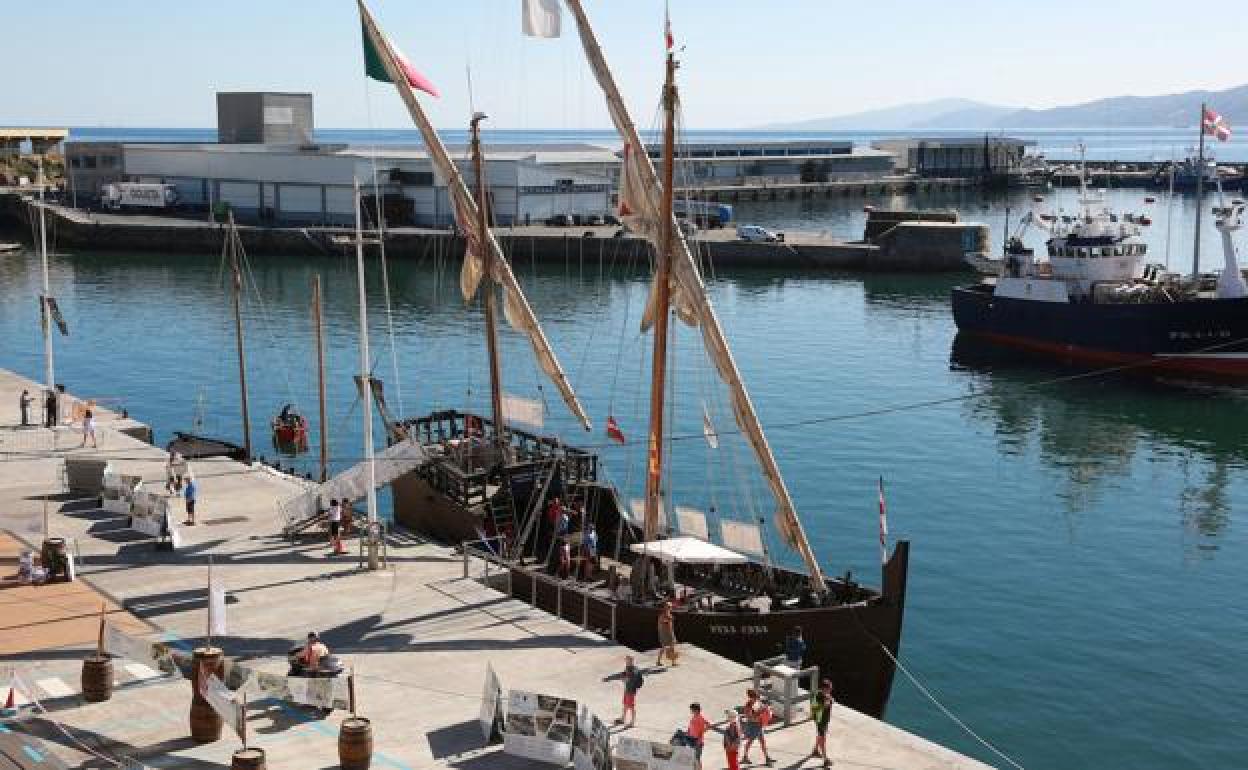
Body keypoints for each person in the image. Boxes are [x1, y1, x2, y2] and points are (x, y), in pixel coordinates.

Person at [741, 689, 773, 765]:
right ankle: (745, 757)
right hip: (753, 726)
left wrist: (765, 710)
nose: (757, 699)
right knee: (750, 742)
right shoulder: (748, 706)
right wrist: (760, 713)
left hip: (759, 725)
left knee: (762, 742)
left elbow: (761, 709)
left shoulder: (757, 702)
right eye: (755, 698)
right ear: (751, 697)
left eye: (757, 698)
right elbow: (751, 718)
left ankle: (767, 758)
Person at [615, 655, 642, 727]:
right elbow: (625, 674)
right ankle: (623, 719)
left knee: (631, 706)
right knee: (625, 704)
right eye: (626, 660)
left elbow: (631, 680)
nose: (626, 661)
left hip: (631, 691)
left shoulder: (634, 670)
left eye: (627, 660)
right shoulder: (628, 667)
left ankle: (632, 722)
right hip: (627, 689)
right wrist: (623, 675)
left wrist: (625, 680)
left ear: (631, 661)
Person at [684, 702, 709, 769]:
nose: (691, 711)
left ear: (696, 710)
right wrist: (688, 732)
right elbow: (691, 727)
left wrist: (699, 738)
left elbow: (704, 728)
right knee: (694, 758)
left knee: (697, 758)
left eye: (692, 710)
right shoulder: (695, 717)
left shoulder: (699, 718)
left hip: (697, 742)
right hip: (692, 740)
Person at [811, 692, 831, 767]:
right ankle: (825, 760)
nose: (830, 690)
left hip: (822, 721)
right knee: (823, 739)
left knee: (820, 736)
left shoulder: (822, 695)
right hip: (821, 721)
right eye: (829, 688)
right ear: (825, 689)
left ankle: (815, 750)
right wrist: (826, 703)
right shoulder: (821, 698)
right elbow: (817, 709)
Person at [656, 601, 679, 666]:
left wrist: (673, 634)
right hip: (664, 634)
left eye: (670, 607)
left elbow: (670, 626)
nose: (670, 608)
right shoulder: (662, 615)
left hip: (670, 633)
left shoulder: (669, 615)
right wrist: (668, 619)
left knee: (672, 647)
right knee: (663, 648)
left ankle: (673, 662)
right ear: (665, 607)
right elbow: (662, 623)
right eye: (669, 607)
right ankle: (658, 661)